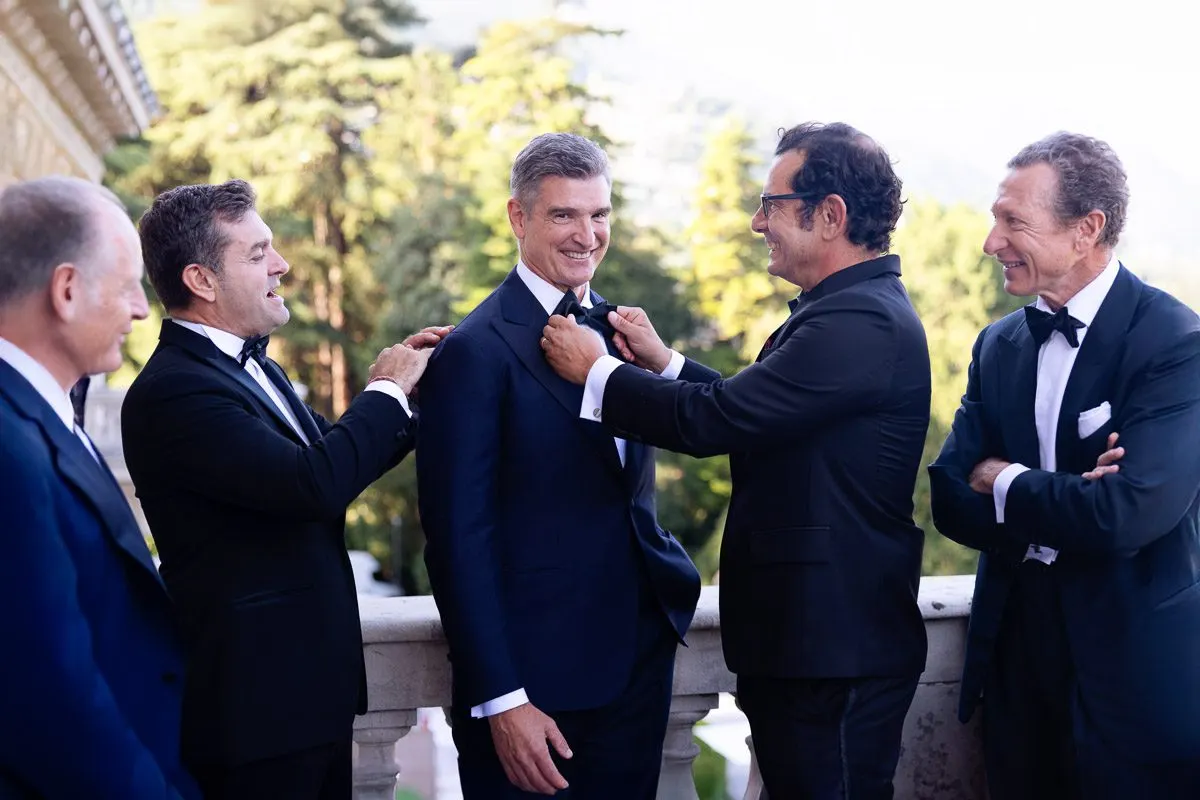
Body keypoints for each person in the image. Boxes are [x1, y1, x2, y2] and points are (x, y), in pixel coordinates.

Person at [542, 122, 931, 799]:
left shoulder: (860, 320)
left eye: (771, 204)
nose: (758, 222)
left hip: (832, 654)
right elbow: (758, 411)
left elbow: (717, 420)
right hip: (809, 650)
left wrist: (598, 372)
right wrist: (666, 363)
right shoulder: (847, 310)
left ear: (830, 214)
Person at [121, 179, 447, 800]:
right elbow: (314, 484)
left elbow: (339, 459)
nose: (282, 264)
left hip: (309, 700)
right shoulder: (174, 390)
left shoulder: (255, 367)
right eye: (257, 253)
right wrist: (384, 390)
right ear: (201, 280)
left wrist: (421, 386)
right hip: (254, 714)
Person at [416, 132, 701, 798]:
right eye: (564, 215)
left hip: (638, 668)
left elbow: (703, 427)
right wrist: (502, 699)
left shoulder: (624, 334)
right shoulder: (474, 351)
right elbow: (458, 541)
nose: (587, 235)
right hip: (536, 691)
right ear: (518, 218)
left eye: (599, 214)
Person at [927, 132, 1200, 798]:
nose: (991, 242)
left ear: (1087, 230)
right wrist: (1071, 496)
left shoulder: (1175, 342)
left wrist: (1004, 478)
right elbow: (949, 497)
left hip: (1133, 673)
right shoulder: (997, 345)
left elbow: (1126, 515)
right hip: (1017, 661)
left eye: (1013, 222)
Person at [0, 176, 199, 798]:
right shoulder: (7, 445)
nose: (141, 309)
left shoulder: (44, 414)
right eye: (127, 286)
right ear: (66, 290)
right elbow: (47, 689)